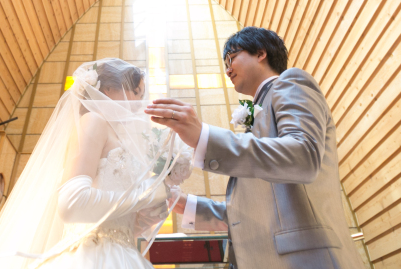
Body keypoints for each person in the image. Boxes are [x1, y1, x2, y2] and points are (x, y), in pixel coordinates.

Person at [145, 27, 362, 269]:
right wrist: (182, 203)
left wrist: (204, 136)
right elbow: (247, 215)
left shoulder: (291, 82)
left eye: (232, 58)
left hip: (304, 259)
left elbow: (303, 155)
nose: (227, 69)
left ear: (261, 53)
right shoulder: (255, 116)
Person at [0, 59, 190, 269]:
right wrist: (147, 194)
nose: (139, 104)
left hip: (122, 254)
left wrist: (153, 205)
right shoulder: (94, 121)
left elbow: (120, 225)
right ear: (107, 90)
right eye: (135, 92)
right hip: (91, 254)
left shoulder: (122, 141)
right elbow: (72, 203)